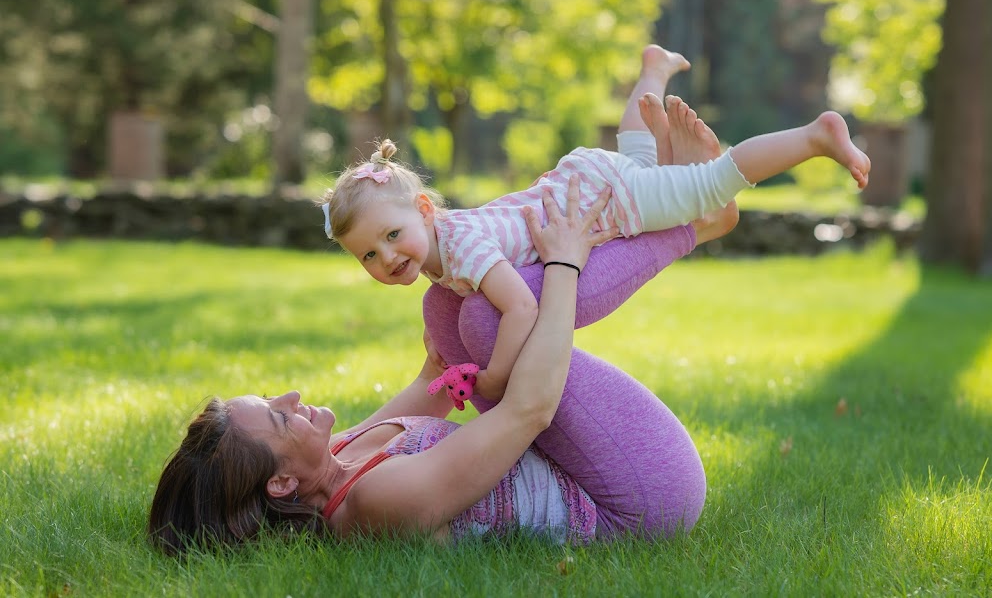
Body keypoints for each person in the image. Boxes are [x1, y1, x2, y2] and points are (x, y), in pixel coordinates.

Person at [149, 173, 733, 554]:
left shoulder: (339, 455)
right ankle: (681, 225)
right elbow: (530, 408)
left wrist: (464, 248)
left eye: (273, 399)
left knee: (450, 304)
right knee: (484, 319)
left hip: (584, 462)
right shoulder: (376, 502)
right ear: (280, 483)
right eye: (280, 418)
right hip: (640, 498)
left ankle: (656, 205)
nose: (292, 399)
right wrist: (563, 265)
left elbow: (435, 378)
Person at [320, 45, 870, 400]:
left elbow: (521, 307)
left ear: (424, 211)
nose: (388, 258)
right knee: (635, 151)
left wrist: (495, 377)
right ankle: (652, 70)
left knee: (711, 184)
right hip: (582, 180)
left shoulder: (460, 247)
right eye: (369, 254)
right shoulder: (440, 250)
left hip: (605, 204)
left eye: (392, 237)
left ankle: (814, 137)